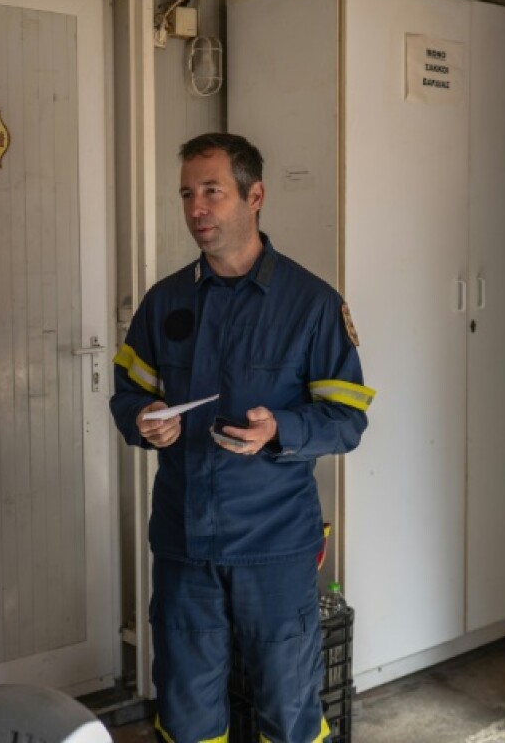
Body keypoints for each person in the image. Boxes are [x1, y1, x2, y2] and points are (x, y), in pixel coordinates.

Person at [110, 132, 374, 743]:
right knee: (186, 712)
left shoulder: (311, 304)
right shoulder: (166, 301)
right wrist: (144, 417)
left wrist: (282, 428)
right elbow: (127, 395)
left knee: (289, 710)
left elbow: (349, 419)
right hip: (184, 545)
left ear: (254, 196)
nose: (196, 209)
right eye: (186, 194)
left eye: (212, 192)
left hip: (275, 547)